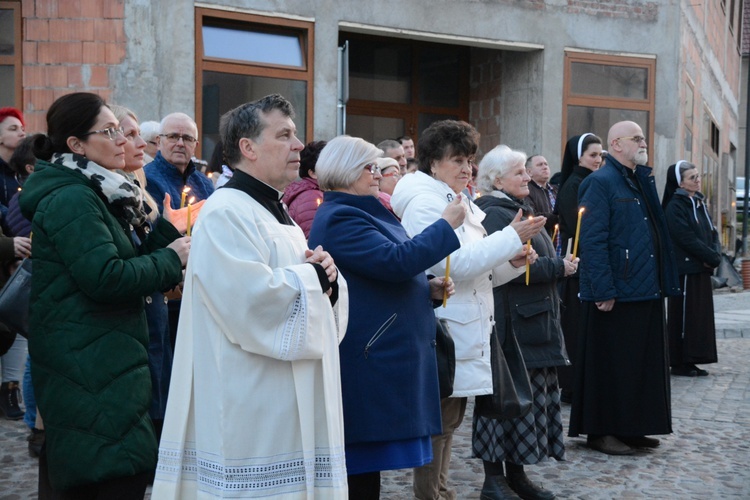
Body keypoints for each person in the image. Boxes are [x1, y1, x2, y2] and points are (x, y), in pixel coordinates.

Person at [153, 94, 349, 499]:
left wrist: (327, 277)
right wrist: (313, 277)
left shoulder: (276, 210)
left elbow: (298, 281)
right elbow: (247, 301)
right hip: (251, 397)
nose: (298, 145)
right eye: (285, 135)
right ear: (248, 147)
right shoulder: (227, 212)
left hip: (283, 396)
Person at [19, 92, 189, 497]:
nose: (121, 141)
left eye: (120, 130)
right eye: (109, 131)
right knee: (105, 475)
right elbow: (106, 276)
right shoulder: (72, 197)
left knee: (112, 470)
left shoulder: (105, 189)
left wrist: (156, 219)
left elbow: (126, 255)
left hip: (102, 357)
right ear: (76, 145)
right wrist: (170, 258)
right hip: (87, 361)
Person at [390, 119, 545, 500]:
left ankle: (441, 491)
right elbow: (452, 263)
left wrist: (512, 263)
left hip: (466, 323)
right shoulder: (425, 201)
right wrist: (511, 238)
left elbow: (480, 274)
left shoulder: (457, 198)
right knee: (439, 422)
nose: (467, 169)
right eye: (457, 160)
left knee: (450, 421)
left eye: (470, 160)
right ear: (432, 163)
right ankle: (432, 494)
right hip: (443, 326)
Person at [308, 135, 465, 498]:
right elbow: (395, 262)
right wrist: (444, 225)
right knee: (359, 472)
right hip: (368, 355)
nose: (377, 174)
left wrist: (426, 287)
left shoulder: (364, 208)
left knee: (368, 473)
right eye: (369, 167)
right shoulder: (341, 216)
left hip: (385, 350)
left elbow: (384, 267)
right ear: (345, 171)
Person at [568, 121, 680, 456]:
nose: (644, 143)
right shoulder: (600, 182)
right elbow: (593, 239)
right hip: (618, 289)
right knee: (613, 364)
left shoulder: (638, 179)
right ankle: (603, 431)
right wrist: (602, 288)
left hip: (644, 287)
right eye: (638, 138)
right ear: (616, 144)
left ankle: (632, 427)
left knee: (639, 364)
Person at [473, 145, 576, 500]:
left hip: (533, 321)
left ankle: (516, 476)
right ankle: (493, 480)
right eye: (519, 172)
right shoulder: (494, 213)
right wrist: (558, 267)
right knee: (503, 401)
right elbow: (509, 269)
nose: (527, 177)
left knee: (525, 406)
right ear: (497, 178)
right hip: (512, 323)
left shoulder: (518, 209)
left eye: (525, 171)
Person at [554, 133, 602, 402]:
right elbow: (579, 227)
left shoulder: (590, 180)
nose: (598, 160)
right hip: (578, 265)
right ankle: (572, 385)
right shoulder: (574, 184)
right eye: (593, 155)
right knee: (574, 328)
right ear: (579, 156)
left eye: (600, 155)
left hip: (586, 264)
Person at [662, 161, 721, 377]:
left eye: (698, 176)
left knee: (698, 317)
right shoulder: (675, 207)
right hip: (686, 269)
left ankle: (694, 358)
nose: (697, 181)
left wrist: (714, 256)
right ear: (680, 182)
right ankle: (679, 360)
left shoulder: (698, 202)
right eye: (692, 178)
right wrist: (707, 256)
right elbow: (685, 237)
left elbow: (712, 232)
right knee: (685, 316)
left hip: (701, 267)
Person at [143, 112, 214, 213]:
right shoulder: (147, 179)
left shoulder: (205, 183)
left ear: (195, 146)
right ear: (159, 142)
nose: (180, 144)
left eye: (187, 139)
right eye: (173, 136)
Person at [283, 140, 327, 237]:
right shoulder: (313, 198)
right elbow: (314, 242)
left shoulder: (309, 193)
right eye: (329, 164)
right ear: (313, 173)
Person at [525, 155, 558, 235]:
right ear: (529, 172)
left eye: (546, 164)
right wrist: (559, 218)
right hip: (542, 237)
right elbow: (533, 216)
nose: (545, 167)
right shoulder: (526, 190)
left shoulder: (556, 189)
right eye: (540, 165)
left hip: (559, 240)